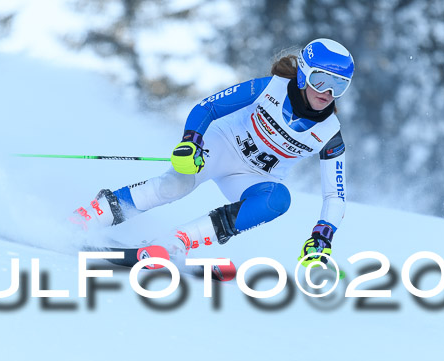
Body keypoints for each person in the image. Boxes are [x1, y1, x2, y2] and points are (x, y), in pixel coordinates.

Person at [72, 38, 354, 266]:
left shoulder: (329, 133)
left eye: (339, 86)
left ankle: (178, 241)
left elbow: (335, 195)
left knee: (278, 200)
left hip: (251, 178)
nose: (327, 92)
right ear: (304, 74)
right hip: (221, 147)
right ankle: (90, 217)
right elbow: (208, 107)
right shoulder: (270, 88)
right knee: (175, 185)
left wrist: (322, 237)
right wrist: (191, 142)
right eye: (321, 81)